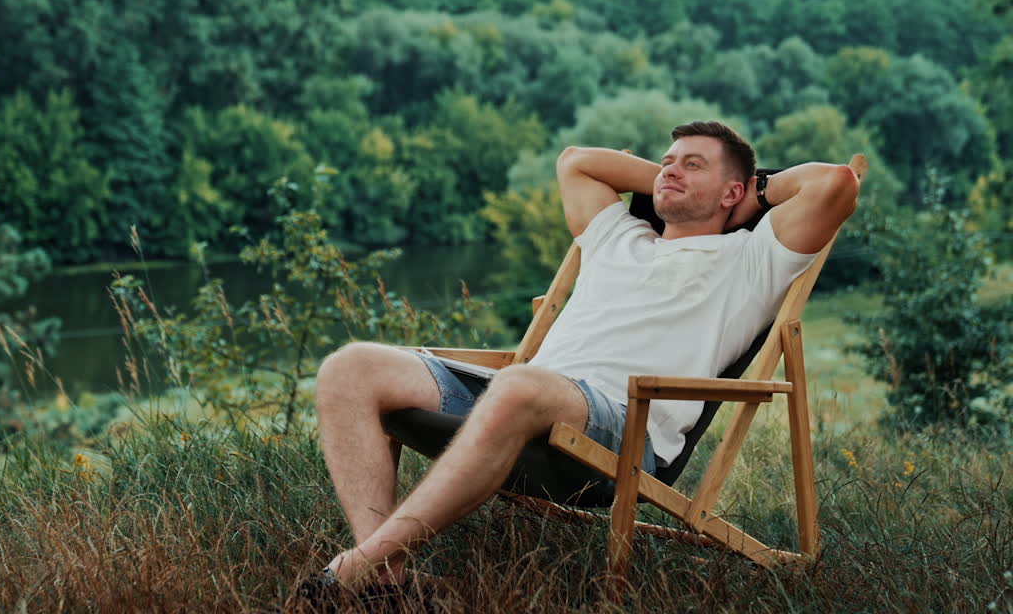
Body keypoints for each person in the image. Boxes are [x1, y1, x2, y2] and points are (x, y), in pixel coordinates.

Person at [306, 121, 860, 591]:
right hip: (524, 395)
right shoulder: (616, 235)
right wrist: (673, 181)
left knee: (524, 385)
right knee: (350, 367)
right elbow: (576, 162)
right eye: (666, 162)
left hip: (619, 425)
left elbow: (833, 182)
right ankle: (386, 580)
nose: (669, 170)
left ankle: (356, 567)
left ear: (733, 193)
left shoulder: (751, 261)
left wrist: (750, 200)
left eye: (693, 165)